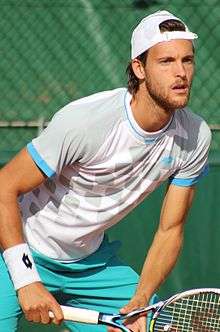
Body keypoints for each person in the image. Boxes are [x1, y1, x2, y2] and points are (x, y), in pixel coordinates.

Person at [0, 9, 211, 332]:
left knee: (151, 326)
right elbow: (4, 186)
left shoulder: (195, 136)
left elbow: (171, 230)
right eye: (166, 61)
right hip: (18, 250)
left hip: (91, 265)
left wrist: (140, 299)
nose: (180, 72)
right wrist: (26, 279)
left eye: (187, 60)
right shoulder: (86, 122)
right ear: (139, 68)